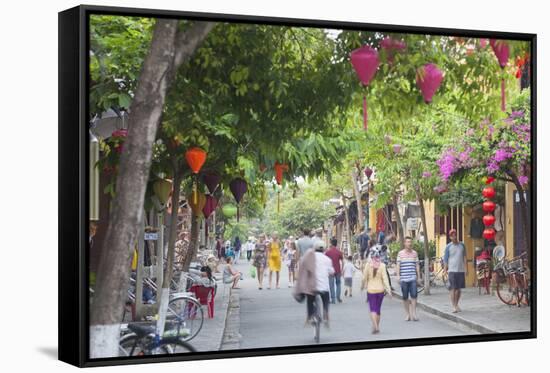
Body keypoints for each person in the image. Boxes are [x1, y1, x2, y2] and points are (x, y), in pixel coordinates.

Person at [295, 239, 334, 327]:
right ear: (324, 249)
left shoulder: (310, 257)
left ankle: (310, 316)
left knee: (310, 299)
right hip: (324, 287)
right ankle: (326, 313)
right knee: (326, 297)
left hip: (312, 287)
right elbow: (332, 271)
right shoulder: (327, 259)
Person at [361, 246, 392, 334]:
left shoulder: (368, 265)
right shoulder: (382, 265)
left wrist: (362, 286)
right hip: (380, 291)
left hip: (371, 290)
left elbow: (364, 278)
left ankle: (375, 326)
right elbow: (385, 279)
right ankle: (376, 327)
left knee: (372, 309)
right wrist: (388, 290)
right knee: (378, 310)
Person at [443, 229, 468, 313]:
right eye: (452, 235)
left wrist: (466, 269)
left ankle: (456, 304)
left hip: (460, 270)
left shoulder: (462, 245)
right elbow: (446, 259)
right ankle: (453, 305)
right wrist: (445, 270)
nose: (454, 236)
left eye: (455, 235)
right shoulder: (448, 247)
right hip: (452, 270)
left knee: (459, 289)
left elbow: (465, 258)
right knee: (452, 288)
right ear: (450, 237)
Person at [396, 236, 420, 321]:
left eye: (410, 242)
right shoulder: (400, 254)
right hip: (404, 279)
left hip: (413, 278)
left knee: (414, 296)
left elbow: (417, 265)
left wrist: (419, 277)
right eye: (408, 242)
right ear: (404, 243)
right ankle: (407, 314)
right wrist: (398, 276)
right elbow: (398, 265)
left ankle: (414, 314)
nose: (409, 243)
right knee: (405, 297)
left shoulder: (415, 253)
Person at [325, 237, 344, 303]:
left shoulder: (327, 252)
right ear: (336, 244)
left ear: (331, 244)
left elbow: (325, 262)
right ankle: (338, 297)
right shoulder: (339, 252)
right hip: (338, 270)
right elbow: (342, 261)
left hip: (330, 271)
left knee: (331, 284)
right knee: (338, 283)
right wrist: (342, 270)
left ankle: (333, 299)